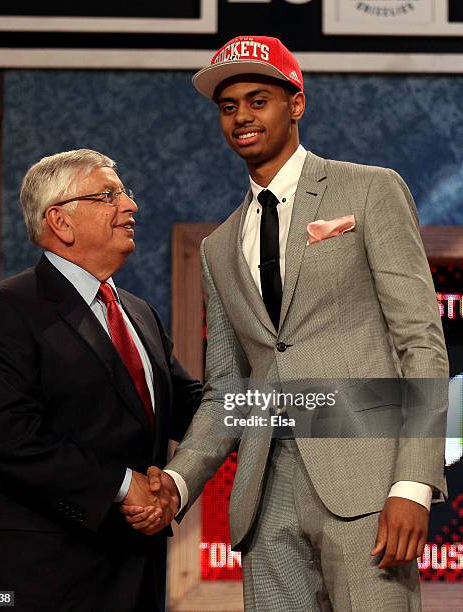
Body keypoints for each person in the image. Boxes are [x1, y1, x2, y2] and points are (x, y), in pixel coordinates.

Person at [122, 37, 449, 611]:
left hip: (367, 486)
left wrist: (413, 484)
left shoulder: (370, 189)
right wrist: (177, 482)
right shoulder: (219, 245)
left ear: (295, 104)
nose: (242, 117)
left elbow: (421, 342)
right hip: (264, 493)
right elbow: (227, 391)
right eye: (229, 107)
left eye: (258, 100)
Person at [0, 149, 202, 612]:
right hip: (28, 581)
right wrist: (127, 485)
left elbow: (195, 408)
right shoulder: (4, 308)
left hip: (131, 578)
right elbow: (11, 438)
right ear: (60, 222)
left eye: (125, 193)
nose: (130, 206)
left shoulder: (140, 313)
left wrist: (325, 408)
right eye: (108, 195)